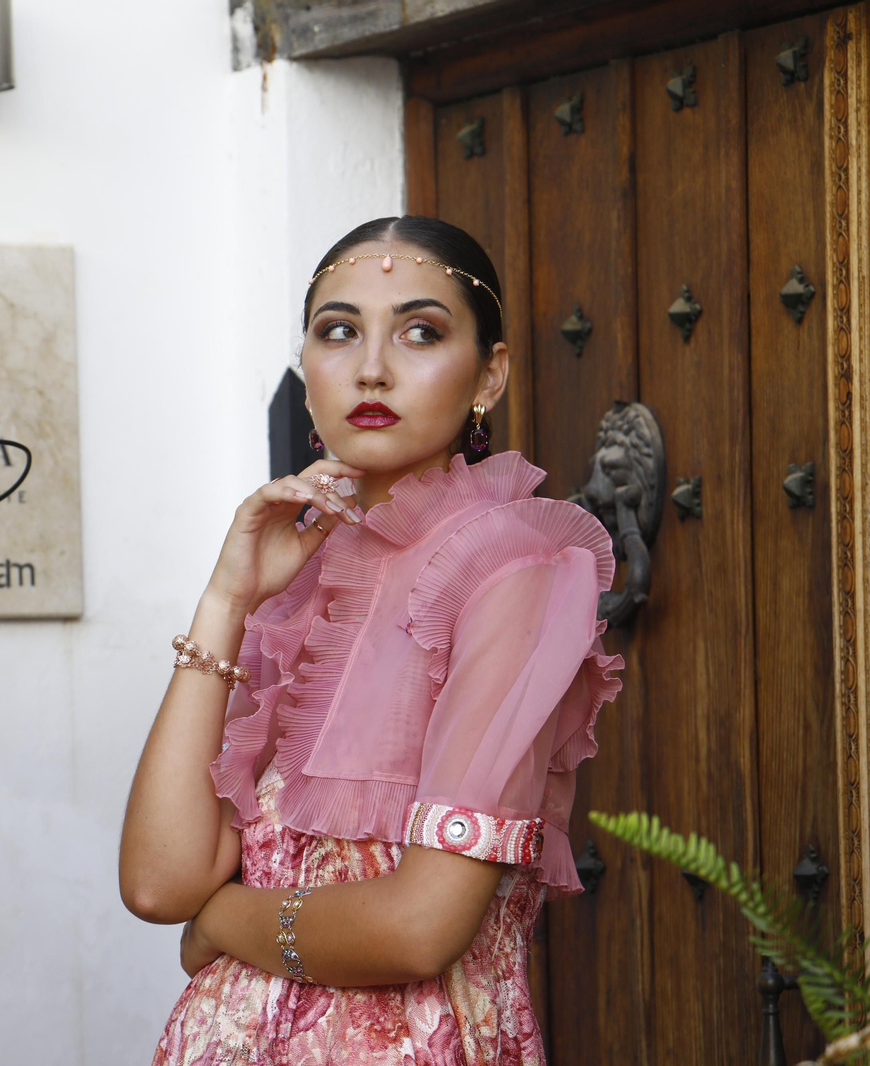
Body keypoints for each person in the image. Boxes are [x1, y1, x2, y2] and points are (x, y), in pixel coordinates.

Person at [120, 216, 622, 1064]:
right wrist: (226, 597)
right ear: (308, 373)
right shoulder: (302, 573)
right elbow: (159, 881)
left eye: (420, 332)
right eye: (339, 332)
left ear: (488, 377)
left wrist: (228, 918)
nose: (372, 367)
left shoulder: (517, 568)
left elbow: (420, 928)